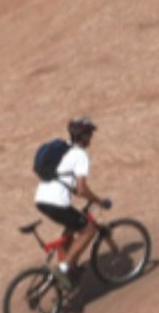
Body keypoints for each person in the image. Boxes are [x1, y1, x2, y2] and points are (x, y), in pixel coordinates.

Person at [34, 116, 108, 285]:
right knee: (89, 230)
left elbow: (65, 181)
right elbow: (82, 189)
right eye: (90, 135)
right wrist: (99, 201)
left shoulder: (62, 150)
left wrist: (77, 192)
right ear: (85, 136)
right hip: (56, 202)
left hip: (41, 199)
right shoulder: (81, 155)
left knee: (71, 227)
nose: (91, 138)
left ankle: (69, 267)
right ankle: (64, 267)